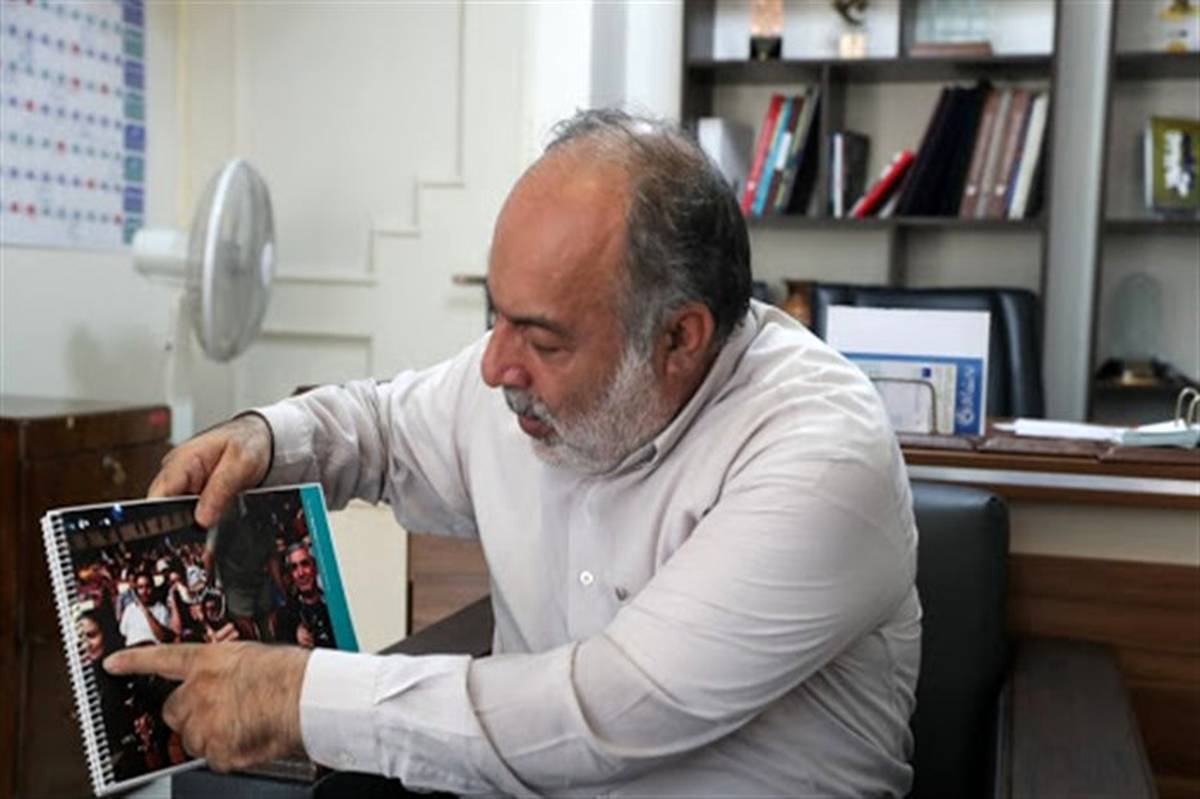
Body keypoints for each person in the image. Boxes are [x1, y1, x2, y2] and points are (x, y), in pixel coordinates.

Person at [106, 109, 920, 795]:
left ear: (679, 337)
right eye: (496, 315)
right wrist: (267, 437)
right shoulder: (520, 378)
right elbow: (382, 426)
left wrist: (296, 695)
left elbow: (606, 709)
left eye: (541, 339)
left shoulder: (819, 453)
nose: (495, 367)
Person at [273, 543, 335, 649]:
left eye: (305, 564)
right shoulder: (285, 615)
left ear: (315, 568)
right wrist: (295, 641)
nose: (301, 573)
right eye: (294, 568)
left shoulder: (333, 604)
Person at [118, 571, 175, 646]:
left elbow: (162, 636)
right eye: (140, 587)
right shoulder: (129, 609)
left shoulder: (161, 609)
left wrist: (146, 612)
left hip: (153, 649)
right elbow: (123, 633)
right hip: (133, 649)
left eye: (147, 587)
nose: (144, 591)